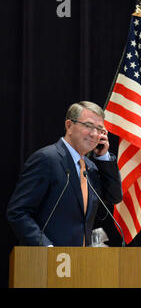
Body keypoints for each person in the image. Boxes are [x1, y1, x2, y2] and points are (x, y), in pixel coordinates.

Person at [7, 101, 123, 246]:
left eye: (99, 129)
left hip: (81, 261)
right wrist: (46, 248)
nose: (94, 134)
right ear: (69, 126)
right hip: (46, 261)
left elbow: (113, 197)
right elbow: (18, 212)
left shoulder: (91, 167)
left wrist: (103, 157)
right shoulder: (47, 159)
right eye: (88, 126)